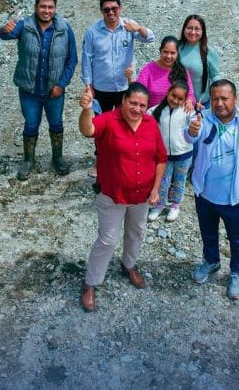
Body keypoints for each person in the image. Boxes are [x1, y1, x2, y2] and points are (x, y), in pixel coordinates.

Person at [78, 82, 167, 313]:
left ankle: (129, 265)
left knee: (136, 232)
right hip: (112, 194)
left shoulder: (150, 124)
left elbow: (160, 158)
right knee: (107, 240)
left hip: (141, 195)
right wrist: (86, 109)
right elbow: (87, 130)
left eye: (142, 105)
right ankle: (91, 282)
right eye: (133, 103)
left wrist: (156, 189)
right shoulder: (109, 120)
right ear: (123, 101)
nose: (137, 109)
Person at [187, 79, 239, 300]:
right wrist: (191, 131)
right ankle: (212, 261)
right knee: (208, 232)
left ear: (235, 99)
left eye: (224, 98)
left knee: (237, 238)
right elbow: (188, 138)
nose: (219, 103)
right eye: (215, 99)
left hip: (234, 199)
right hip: (205, 195)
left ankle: (237, 272)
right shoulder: (202, 120)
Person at [0, 0, 78, 179]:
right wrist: (4, 29)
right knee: (31, 123)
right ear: (35, 7)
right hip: (29, 89)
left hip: (54, 90)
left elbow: (71, 59)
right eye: (43, 6)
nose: (46, 10)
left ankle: (57, 158)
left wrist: (62, 84)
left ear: (55, 9)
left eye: (50, 7)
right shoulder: (24, 26)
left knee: (56, 123)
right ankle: (28, 160)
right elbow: (5, 35)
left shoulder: (65, 29)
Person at [81, 0, 155, 177]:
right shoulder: (93, 31)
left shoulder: (128, 26)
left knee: (126, 124)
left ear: (120, 8)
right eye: (106, 10)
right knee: (101, 127)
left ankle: (124, 159)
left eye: (114, 8)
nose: (111, 13)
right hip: (101, 88)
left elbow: (150, 38)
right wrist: (88, 85)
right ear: (101, 11)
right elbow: (86, 59)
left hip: (124, 87)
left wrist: (138, 28)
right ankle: (101, 161)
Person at [148, 80, 195, 223]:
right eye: (173, 95)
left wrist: (196, 118)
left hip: (184, 154)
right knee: (163, 181)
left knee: (179, 181)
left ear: (185, 99)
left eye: (180, 98)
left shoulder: (187, 110)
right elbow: (145, 121)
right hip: (163, 157)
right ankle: (160, 204)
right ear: (168, 93)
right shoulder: (156, 110)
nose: (175, 100)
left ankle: (175, 205)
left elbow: (196, 122)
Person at [132, 36, 194, 108]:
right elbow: (137, 90)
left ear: (177, 54)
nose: (168, 56)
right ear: (160, 51)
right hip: (152, 115)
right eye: (165, 52)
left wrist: (189, 101)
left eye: (172, 53)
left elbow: (190, 94)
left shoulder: (182, 71)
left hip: (176, 115)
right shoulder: (148, 69)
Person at [177, 14, 220, 108]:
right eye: (189, 28)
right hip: (178, 102)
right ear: (184, 29)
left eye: (197, 29)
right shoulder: (176, 48)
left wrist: (222, 92)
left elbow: (215, 75)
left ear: (203, 31)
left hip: (201, 104)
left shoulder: (209, 52)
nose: (193, 32)